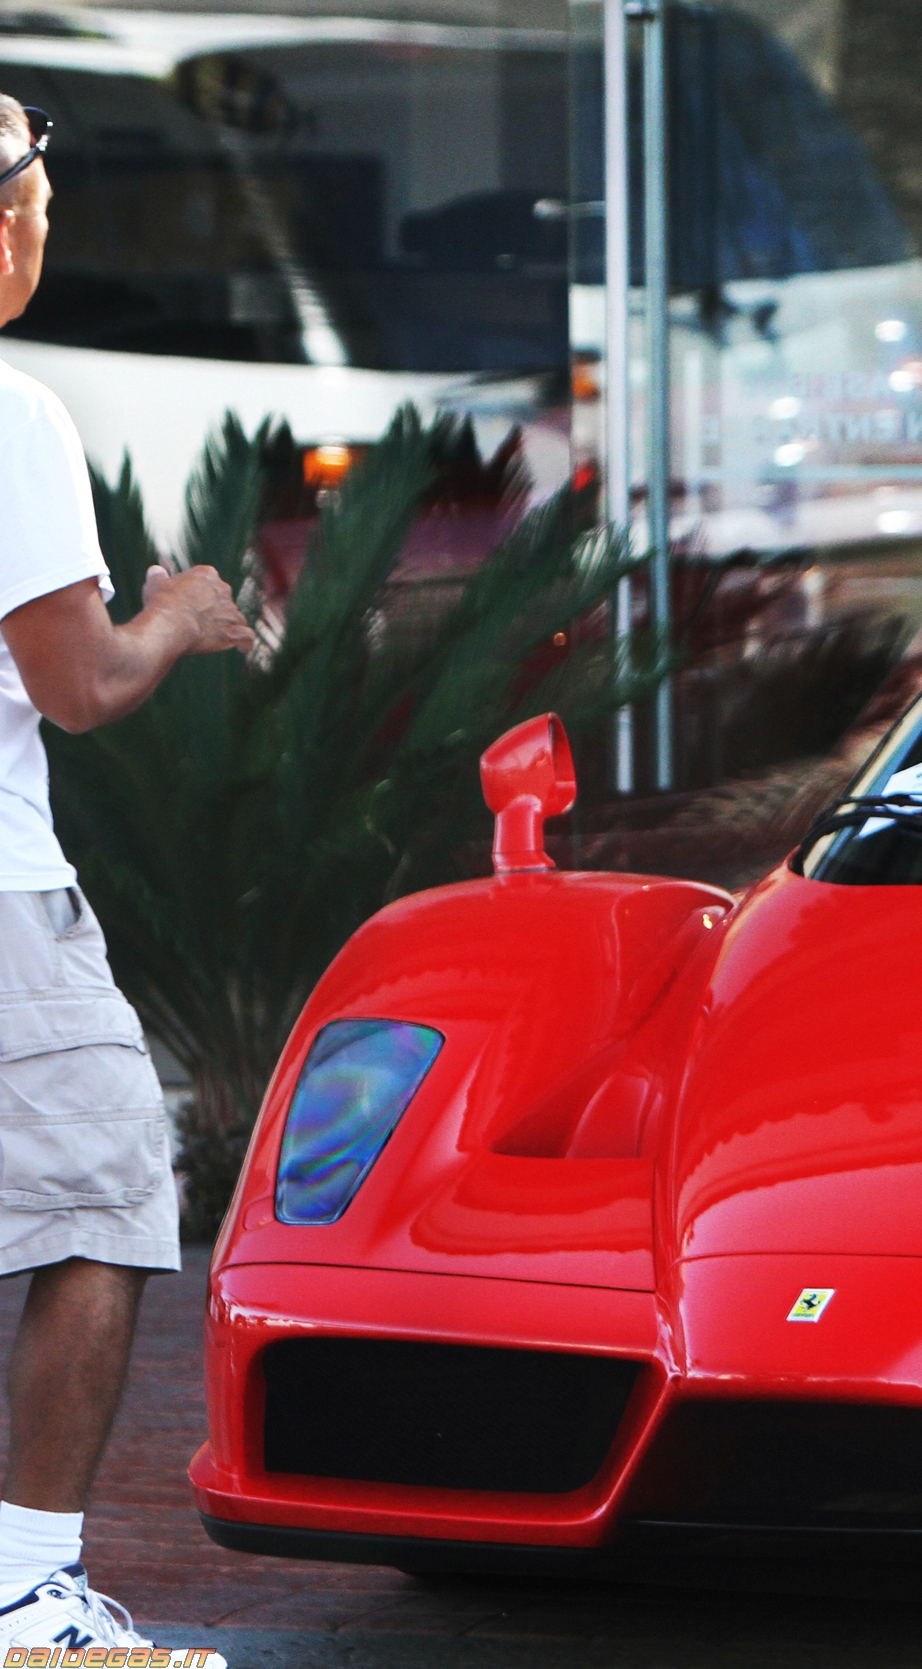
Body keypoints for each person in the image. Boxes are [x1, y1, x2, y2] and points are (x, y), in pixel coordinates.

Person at [0, 93, 254, 1659]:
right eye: (37, 173)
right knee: (105, 1192)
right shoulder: (12, 420)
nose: (49, 205)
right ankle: (26, 1593)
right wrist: (181, 617)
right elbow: (78, 682)